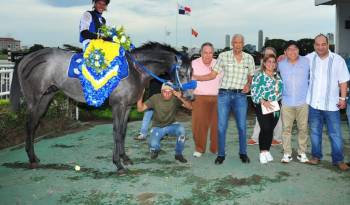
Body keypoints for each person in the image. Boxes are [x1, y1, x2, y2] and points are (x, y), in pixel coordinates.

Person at [193, 34, 255, 164]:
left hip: (240, 96)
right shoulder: (223, 56)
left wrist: (248, 84)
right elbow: (212, 75)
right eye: (235, 42)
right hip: (224, 95)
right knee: (221, 126)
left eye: (240, 42)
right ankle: (220, 154)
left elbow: (251, 75)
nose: (238, 45)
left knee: (242, 126)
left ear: (243, 44)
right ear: (232, 43)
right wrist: (195, 77)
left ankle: (243, 153)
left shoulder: (249, 58)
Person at [306, 34, 349, 171]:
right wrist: (283, 58)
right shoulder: (308, 58)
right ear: (314, 45)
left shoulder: (338, 60)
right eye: (317, 44)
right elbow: (294, 62)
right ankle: (316, 156)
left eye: (323, 44)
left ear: (328, 44)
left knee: (335, 133)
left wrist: (343, 99)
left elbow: (343, 81)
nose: (320, 47)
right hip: (314, 104)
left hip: (332, 105)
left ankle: (338, 160)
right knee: (314, 132)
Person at [136, 83, 192, 163]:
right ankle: (155, 149)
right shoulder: (155, 98)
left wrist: (180, 97)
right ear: (161, 91)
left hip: (171, 125)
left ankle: (178, 154)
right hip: (158, 127)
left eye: (169, 92)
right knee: (154, 145)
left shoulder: (175, 98)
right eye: (165, 91)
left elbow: (190, 107)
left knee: (182, 130)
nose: (167, 94)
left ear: (172, 92)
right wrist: (140, 97)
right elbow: (140, 109)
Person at [278, 40, 310, 163]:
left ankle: (302, 153)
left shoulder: (307, 61)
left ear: (298, 50)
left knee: (303, 129)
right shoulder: (280, 64)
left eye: (295, 48)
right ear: (285, 52)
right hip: (286, 102)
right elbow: (268, 69)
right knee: (286, 129)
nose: (292, 51)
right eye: (289, 49)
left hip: (303, 102)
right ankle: (287, 153)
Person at [251, 54, 283, 164]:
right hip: (263, 104)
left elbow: (280, 91)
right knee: (265, 128)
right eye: (269, 61)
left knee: (270, 129)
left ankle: (267, 150)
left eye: (273, 62)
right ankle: (262, 151)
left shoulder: (277, 76)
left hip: (275, 105)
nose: (271, 64)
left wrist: (278, 97)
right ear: (264, 63)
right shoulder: (259, 76)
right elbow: (254, 92)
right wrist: (263, 101)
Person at [191, 42, 221, 157]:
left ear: (213, 53)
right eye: (205, 52)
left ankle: (216, 148)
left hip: (217, 97)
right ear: (201, 53)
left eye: (210, 53)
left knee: (217, 125)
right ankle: (199, 149)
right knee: (198, 125)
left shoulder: (218, 63)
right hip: (199, 97)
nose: (208, 55)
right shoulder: (193, 64)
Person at [134, 74, 170, 141]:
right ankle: (142, 134)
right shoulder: (152, 73)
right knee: (147, 116)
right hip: (151, 100)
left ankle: (163, 133)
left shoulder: (166, 75)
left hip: (161, 100)